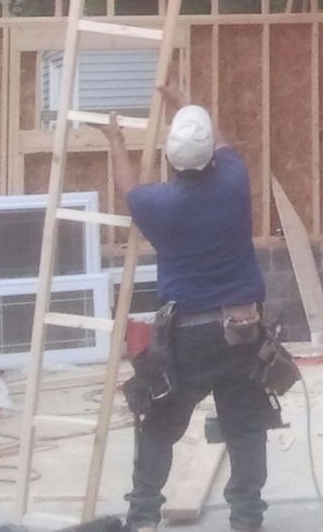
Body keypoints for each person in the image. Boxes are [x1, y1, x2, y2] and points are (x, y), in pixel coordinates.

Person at [104, 89, 271, 532]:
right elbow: (219, 141)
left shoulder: (160, 204)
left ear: (171, 159)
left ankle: (142, 519)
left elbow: (128, 189)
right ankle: (247, 520)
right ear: (210, 158)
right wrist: (188, 106)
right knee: (244, 429)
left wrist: (116, 142)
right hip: (242, 328)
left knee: (159, 427)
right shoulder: (235, 179)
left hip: (188, 337)